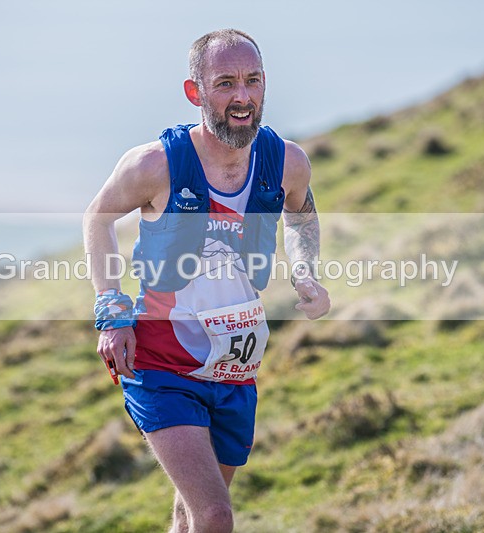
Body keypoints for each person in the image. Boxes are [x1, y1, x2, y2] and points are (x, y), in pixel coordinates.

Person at [83, 28, 329, 533]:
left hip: (235, 367)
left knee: (191, 515)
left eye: (252, 81)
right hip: (161, 365)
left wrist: (304, 270)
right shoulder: (155, 164)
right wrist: (112, 311)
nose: (242, 97)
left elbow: (302, 217)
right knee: (215, 516)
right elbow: (97, 218)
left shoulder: (287, 162)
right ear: (195, 92)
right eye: (225, 84)